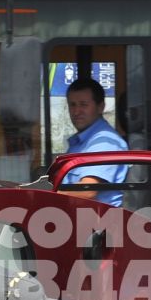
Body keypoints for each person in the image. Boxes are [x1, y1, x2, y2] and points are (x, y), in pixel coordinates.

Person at [61, 75, 127, 206]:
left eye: (83, 105)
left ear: (100, 107)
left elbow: (87, 191)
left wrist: (46, 194)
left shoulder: (105, 142)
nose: (76, 111)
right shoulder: (80, 142)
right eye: (72, 105)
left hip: (99, 222)